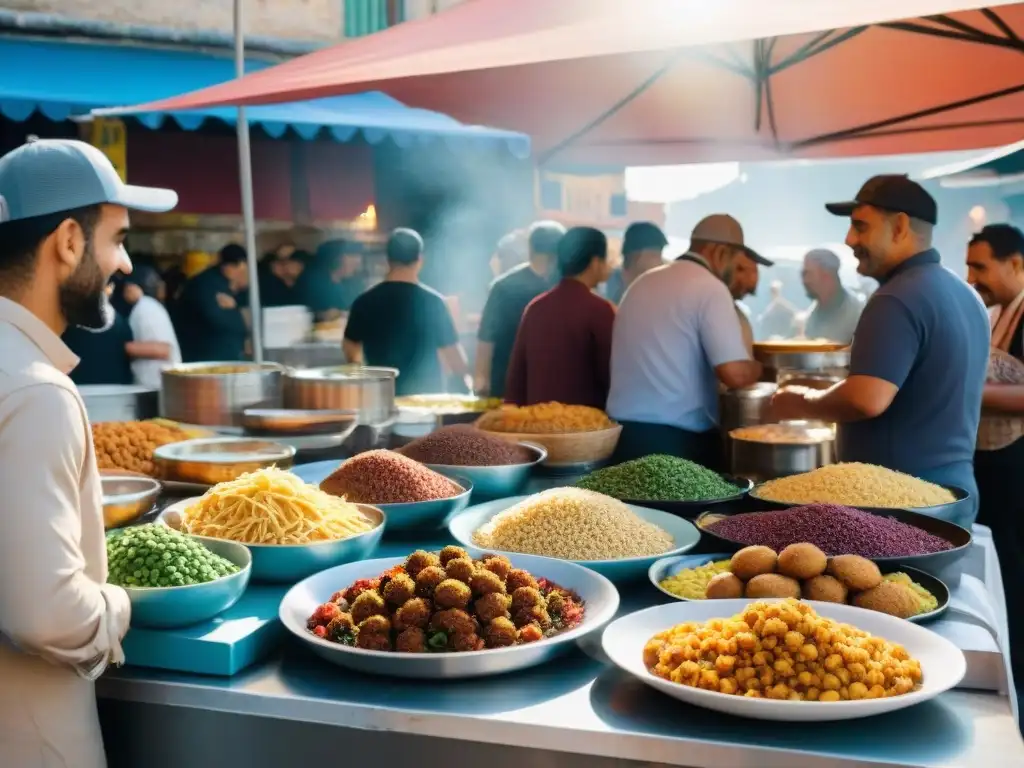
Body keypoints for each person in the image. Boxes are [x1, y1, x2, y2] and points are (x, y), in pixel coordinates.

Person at [0, 138, 177, 767]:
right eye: (118, 239)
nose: (125, 264)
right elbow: (47, 617)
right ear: (69, 242)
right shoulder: (36, 391)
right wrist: (119, 601)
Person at [771, 175, 989, 527]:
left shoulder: (895, 297)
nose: (850, 239)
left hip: (900, 505)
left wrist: (799, 402)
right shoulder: (966, 295)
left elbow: (866, 399)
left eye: (860, 227)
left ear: (899, 226)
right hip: (953, 494)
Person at [607, 214, 763, 467]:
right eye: (735, 260)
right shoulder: (710, 287)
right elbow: (734, 374)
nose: (733, 270)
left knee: (635, 508)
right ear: (719, 251)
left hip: (622, 438)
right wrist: (759, 367)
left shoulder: (643, 281)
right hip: (676, 444)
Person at [964, 223, 1024, 686]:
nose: (972, 276)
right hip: (993, 462)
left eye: (980, 266)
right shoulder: (1000, 310)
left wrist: (964, 390)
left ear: (1016, 263)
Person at [344, 228, 469, 396]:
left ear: (387, 260)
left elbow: (350, 349)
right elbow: (456, 360)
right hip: (426, 398)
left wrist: (366, 375)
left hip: (381, 396)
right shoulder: (434, 302)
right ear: (420, 259)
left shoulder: (364, 301)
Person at [504, 227, 615, 408]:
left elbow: (516, 379)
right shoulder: (600, 310)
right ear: (595, 262)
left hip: (536, 425)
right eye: (606, 258)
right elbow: (611, 376)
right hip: (584, 426)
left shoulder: (535, 308)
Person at [474, 222, 563, 397]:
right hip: (555, 385)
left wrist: (481, 380)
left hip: (507, 384)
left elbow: (486, 338)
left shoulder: (502, 286)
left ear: (530, 249)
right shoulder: (567, 286)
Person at [174, 243, 250, 362]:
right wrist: (237, 312)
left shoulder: (215, 282)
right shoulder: (207, 285)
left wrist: (235, 305)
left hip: (215, 354)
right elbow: (218, 319)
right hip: (205, 355)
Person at [112, 264, 181, 388]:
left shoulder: (146, 307)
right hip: (157, 384)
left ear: (133, 287)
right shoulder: (149, 306)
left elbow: (164, 349)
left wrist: (117, 347)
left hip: (156, 384)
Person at [799, 248, 863, 343]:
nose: (804, 281)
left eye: (807, 273)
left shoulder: (858, 314)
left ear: (826, 276)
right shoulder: (812, 315)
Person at [605, 221, 668, 304]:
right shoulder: (609, 285)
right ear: (637, 255)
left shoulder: (660, 285)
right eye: (655, 255)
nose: (660, 262)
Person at [305, 239, 367, 320]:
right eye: (351, 256)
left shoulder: (355, 283)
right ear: (334, 260)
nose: (358, 262)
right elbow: (301, 313)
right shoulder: (311, 283)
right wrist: (321, 315)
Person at [728, 250, 774, 354]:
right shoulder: (716, 308)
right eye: (751, 270)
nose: (754, 276)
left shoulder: (731, 308)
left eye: (755, 270)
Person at [258, 242, 305, 308]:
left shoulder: (305, 286)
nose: (286, 265)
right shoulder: (267, 283)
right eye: (282, 262)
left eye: (290, 259)